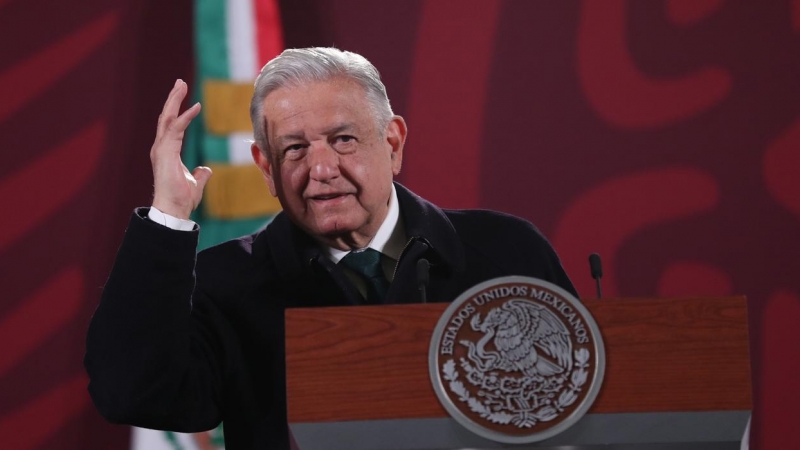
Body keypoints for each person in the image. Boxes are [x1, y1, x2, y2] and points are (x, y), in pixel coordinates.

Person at [85, 47, 576, 450]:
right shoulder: (225, 282)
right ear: (265, 168)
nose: (321, 170)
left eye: (343, 140)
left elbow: (587, 397)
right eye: (295, 149)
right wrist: (169, 213)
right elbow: (133, 394)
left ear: (394, 142)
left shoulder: (506, 251)